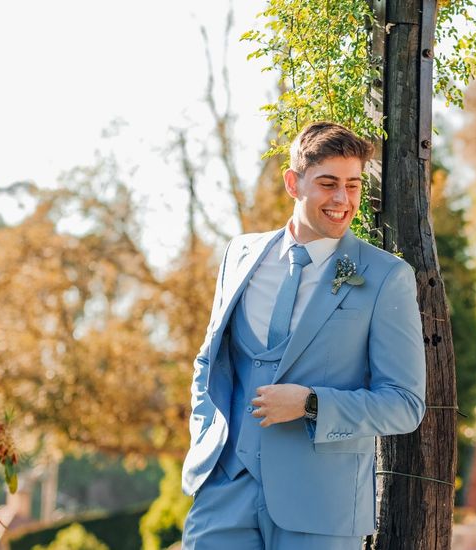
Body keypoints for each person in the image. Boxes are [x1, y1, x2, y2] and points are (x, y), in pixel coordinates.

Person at [181, 122, 426, 549]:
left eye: (352, 185)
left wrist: (313, 403)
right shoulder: (239, 256)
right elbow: (209, 360)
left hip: (322, 505)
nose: (342, 200)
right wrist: (207, 437)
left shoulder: (386, 276)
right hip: (224, 489)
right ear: (293, 183)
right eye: (328, 183)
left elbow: (405, 404)